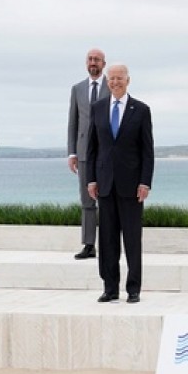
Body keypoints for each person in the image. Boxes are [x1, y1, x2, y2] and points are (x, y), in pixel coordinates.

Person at [86, 64, 154, 304]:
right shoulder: (97, 109)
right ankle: (110, 288)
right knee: (107, 240)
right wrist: (91, 179)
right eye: (112, 78)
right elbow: (92, 148)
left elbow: (147, 151)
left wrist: (145, 182)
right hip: (104, 184)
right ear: (107, 82)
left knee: (132, 239)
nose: (116, 82)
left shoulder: (141, 110)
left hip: (132, 185)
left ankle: (133, 288)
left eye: (120, 78)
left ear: (128, 80)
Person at [67, 48, 109, 260]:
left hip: (106, 152)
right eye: (90, 59)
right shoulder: (77, 89)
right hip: (83, 153)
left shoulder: (112, 86)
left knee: (107, 200)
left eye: (97, 60)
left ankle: (109, 244)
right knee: (87, 200)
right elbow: (73, 122)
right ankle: (89, 244)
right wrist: (71, 153)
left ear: (103, 63)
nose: (93, 63)